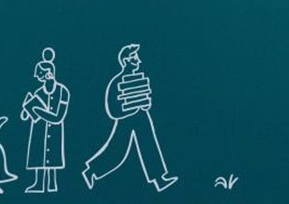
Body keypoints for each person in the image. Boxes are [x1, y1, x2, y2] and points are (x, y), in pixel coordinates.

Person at [82, 44, 178, 192]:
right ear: (126, 60)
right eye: (134, 58)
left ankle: (159, 179)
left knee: (148, 144)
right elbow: (113, 110)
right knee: (117, 151)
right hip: (128, 118)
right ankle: (92, 172)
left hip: (140, 115)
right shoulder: (117, 82)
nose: (138, 61)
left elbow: (146, 99)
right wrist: (130, 107)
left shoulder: (138, 78)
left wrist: (144, 102)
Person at [20, 48, 70, 194]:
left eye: (40, 74)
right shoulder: (38, 92)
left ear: (49, 73)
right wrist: (26, 108)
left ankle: (53, 184)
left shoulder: (63, 91)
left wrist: (36, 110)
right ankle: (38, 183)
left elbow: (58, 117)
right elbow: (26, 117)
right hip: (39, 131)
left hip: (54, 131)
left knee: (53, 157)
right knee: (38, 155)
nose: (38, 77)